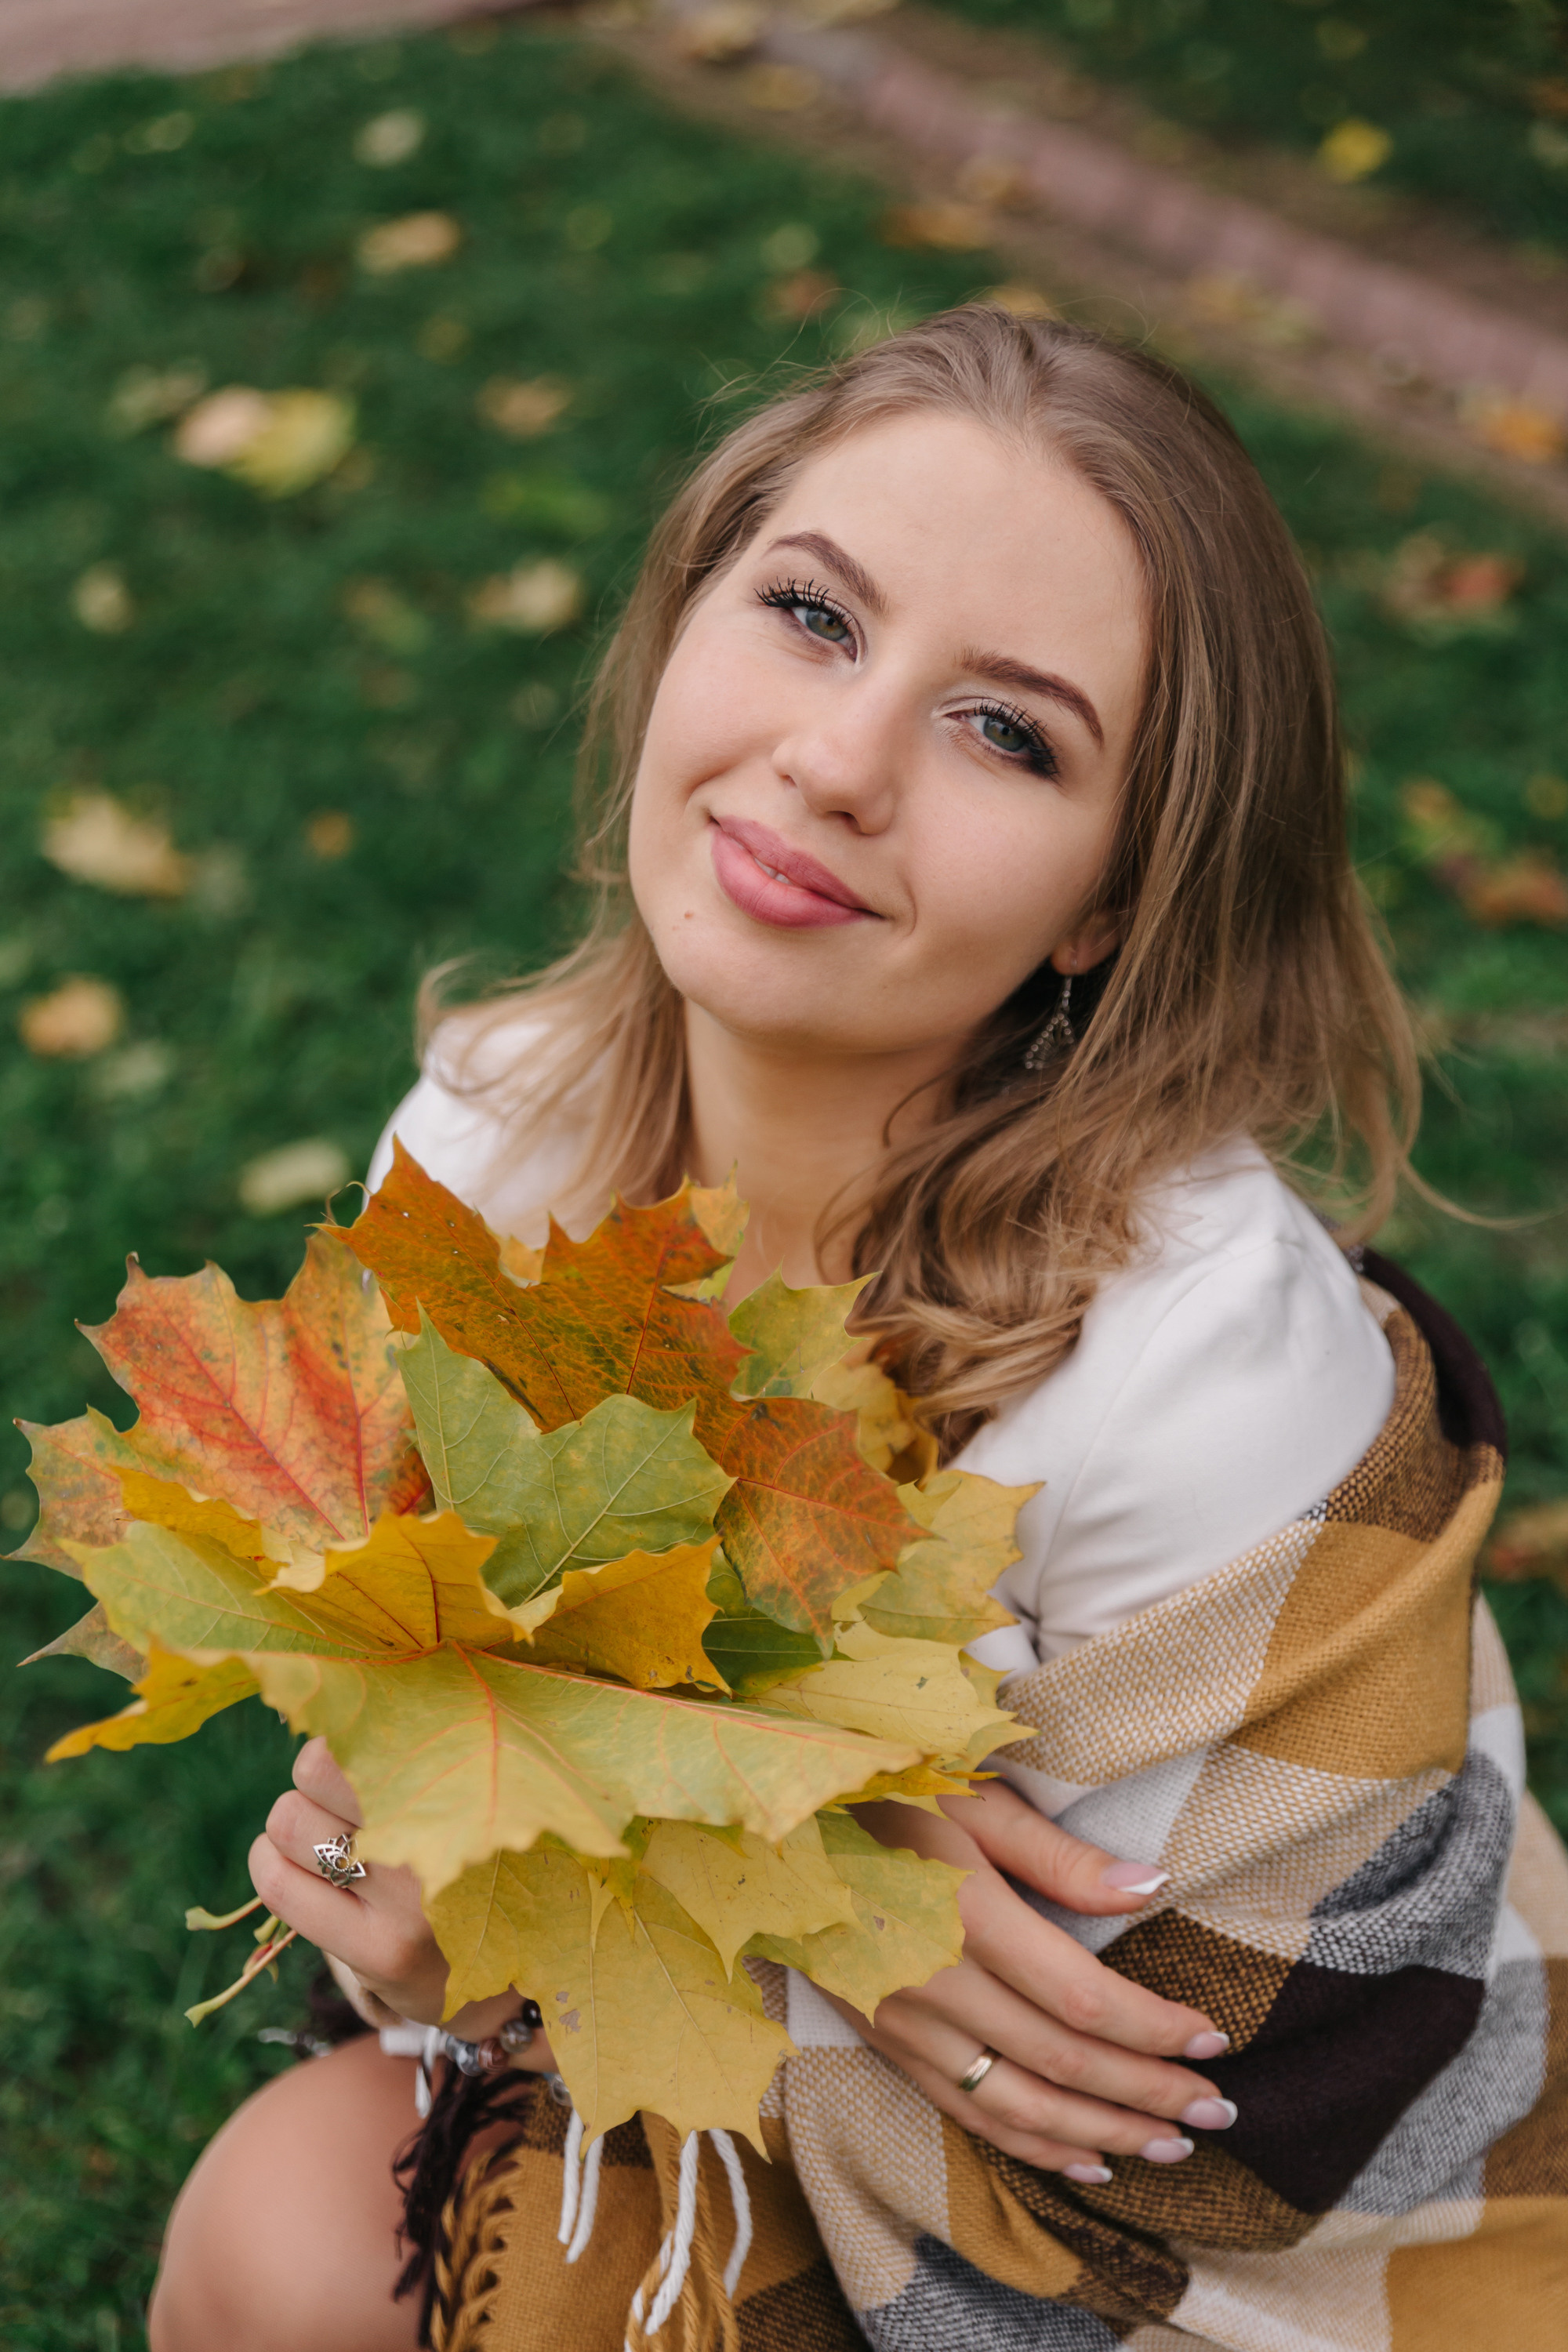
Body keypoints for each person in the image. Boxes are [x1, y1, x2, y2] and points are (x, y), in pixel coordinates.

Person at [148, 307, 1565, 2352]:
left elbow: (1230, 2101)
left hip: (1243, 2255)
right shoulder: (483, 1152)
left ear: (1108, 901)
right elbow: (416, 1777)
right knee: (294, 2236)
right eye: (811, 614)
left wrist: (686, 1866)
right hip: (741, 2111)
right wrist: (795, 1845)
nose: (834, 761)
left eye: (1009, 733)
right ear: (684, 617)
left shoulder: (1213, 1366)